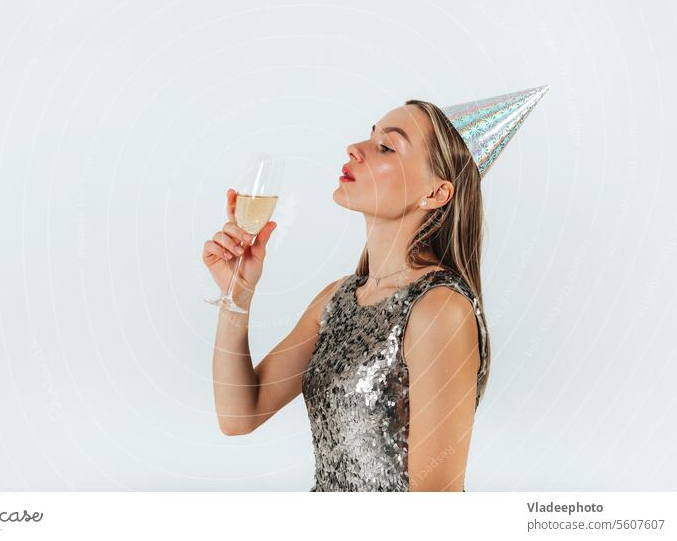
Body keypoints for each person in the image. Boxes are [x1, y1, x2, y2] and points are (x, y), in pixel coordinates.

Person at [204, 88, 548, 491]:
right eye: (370, 135)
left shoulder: (439, 309)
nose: (355, 147)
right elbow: (240, 414)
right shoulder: (337, 299)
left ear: (436, 193)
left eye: (386, 147)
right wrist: (237, 298)